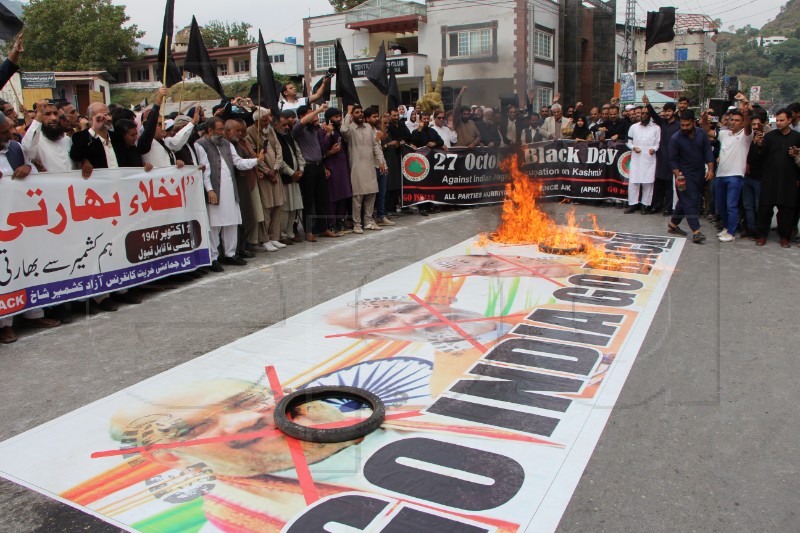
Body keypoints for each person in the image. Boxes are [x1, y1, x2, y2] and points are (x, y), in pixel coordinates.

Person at [0, 112, 61, 342]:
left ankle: (33, 314)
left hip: (21, 220)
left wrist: (27, 168)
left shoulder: (15, 148)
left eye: (8, 129)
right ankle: (4, 323)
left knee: (27, 263)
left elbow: (31, 168)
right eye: (4, 132)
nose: (10, 134)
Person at [195, 117, 264, 271]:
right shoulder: (200, 145)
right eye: (219, 129)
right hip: (215, 191)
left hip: (230, 191)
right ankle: (213, 257)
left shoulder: (226, 144)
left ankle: (230, 254)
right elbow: (204, 170)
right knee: (215, 225)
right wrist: (210, 190)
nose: (221, 132)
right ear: (210, 130)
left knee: (232, 222)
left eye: (222, 129)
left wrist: (256, 161)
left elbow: (238, 162)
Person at [705, 98, 752, 243]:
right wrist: (703, 117)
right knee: (722, 205)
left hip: (735, 175)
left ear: (742, 122)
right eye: (731, 120)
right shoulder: (724, 134)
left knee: (731, 205)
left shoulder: (746, 135)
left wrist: (746, 112)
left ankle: (731, 232)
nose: (733, 122)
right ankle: (726, 227)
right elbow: (707, 129)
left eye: (737, 120)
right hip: (720, 175)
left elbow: (749, 126)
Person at [753, 109, 800, 248]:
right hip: (770, 179)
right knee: (765, 208)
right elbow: (761, 156)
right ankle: (761, 235)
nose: (778, 123)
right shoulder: (770, 136)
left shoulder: (797, 137)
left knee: (786, 209)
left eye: (782, 120)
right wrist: (759, 145)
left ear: (789, 121)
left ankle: (785, 237)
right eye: (777, 120)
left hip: (788, 179)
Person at [668, 110, 715, 244]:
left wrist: (711, 169)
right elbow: (673, 160)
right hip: (683, 174)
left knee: (685, 200)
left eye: (687, 125)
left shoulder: (701, 134)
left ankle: (673, 224)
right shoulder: (675, 138)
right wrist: (678, 176)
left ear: (693, 123)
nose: (684, 128)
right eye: (682, 125)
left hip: (699, 173)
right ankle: (696, 231)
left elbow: (707, 152)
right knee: (691, 200)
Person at [340, 105, 387, 234]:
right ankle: (357, 224)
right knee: (358, 197)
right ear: (352, 115)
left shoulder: (368, 128)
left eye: (361, 112)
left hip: (370, 166)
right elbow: (343, 130)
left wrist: (381, 161)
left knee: (371, 194)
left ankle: (368, 221)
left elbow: (375, 146)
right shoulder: (350, 129)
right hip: (356, 167)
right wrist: (348, 113)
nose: (360, 114)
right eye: (357, 113)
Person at [293, 104, 337, 241]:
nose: (315, 117)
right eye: (311, 114)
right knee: (308, 201)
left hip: (318, 166)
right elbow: (301, 123)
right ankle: (308, 231)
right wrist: (319, 110)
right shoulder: (298, 129)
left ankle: (323, 228)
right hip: (308, 168)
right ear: (302, 116)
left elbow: (319, 150)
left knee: (321, 199)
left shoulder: (314, 130)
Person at [247, 108, 287, 251]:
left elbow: (278, 149)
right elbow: (254, 155)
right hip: (264, 177)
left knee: (277, 205)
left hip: (275, 173)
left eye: (268, 119)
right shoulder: (250, 132)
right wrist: (267, 171)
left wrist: (276, 168)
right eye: (264, 120)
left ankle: (274, 237)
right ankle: (264, 239)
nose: (267, 122)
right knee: (266, 208)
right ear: (257, 121)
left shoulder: (270, 130)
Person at [319, 107, 354, 232]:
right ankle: (332, 223)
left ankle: (340, 221)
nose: (338, 119)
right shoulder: (323, 131)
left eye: (339, 116)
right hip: (331, 167)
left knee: (343, 195)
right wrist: (328, 135)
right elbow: (321, 150)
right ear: (329, 119)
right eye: (336, 117)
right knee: (332, 197)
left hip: (343, 167)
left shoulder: (339, 131)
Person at [643, 96, 679, 215]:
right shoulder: (662, 123)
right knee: (658, 183)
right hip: (661, 157)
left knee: (669, 185)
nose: (667, 113)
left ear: (674, 112)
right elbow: (653, 115)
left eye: (669, 111)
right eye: (665, 111)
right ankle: (656, 206)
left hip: (673, 158)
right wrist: (648, 104)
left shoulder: (679, 125)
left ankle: (668, 208)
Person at [275, 110, 305, 245]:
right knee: (285, 208)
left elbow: (298, 154)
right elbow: (279, 160)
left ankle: (290, 233)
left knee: (294, 207)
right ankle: (282, 234)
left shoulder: (289, 137)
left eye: (287, 125)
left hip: (296, 176)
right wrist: (291, 172)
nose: (286, 127)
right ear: (276, 125)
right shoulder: (274, 139)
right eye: (283, 125)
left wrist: (301, 169)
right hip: (286, 178)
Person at [21, 99, 76, 173]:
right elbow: (26, 148)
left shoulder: (66, 139)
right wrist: (39, 114)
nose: (53, 118)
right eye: (47, 114)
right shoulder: (36, 141)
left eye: (55, 113)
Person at [625, 107, 660, 214]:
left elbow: (658, 143)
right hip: (636, 158)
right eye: (642, 113)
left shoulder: (656, 128)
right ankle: (632, 205)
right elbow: (628, 141)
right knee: (634, 183)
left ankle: (645, 205)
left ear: (649, 115)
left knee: (648, 183)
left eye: (646, 113)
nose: (644, 115)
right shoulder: (633, 127)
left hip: (649, 159)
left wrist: (654, 149)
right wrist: (633, 147)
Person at [741, 113, 768, 238]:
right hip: (747, 177)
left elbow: (765, 157)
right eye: (753, 124)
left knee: (759, 206)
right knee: (748, 206)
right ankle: (751, 229)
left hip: (760, 179)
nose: (756, 127)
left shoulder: (767, 139)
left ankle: (760, 231)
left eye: (758, 124)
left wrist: (760, 144)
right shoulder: (747, 138)